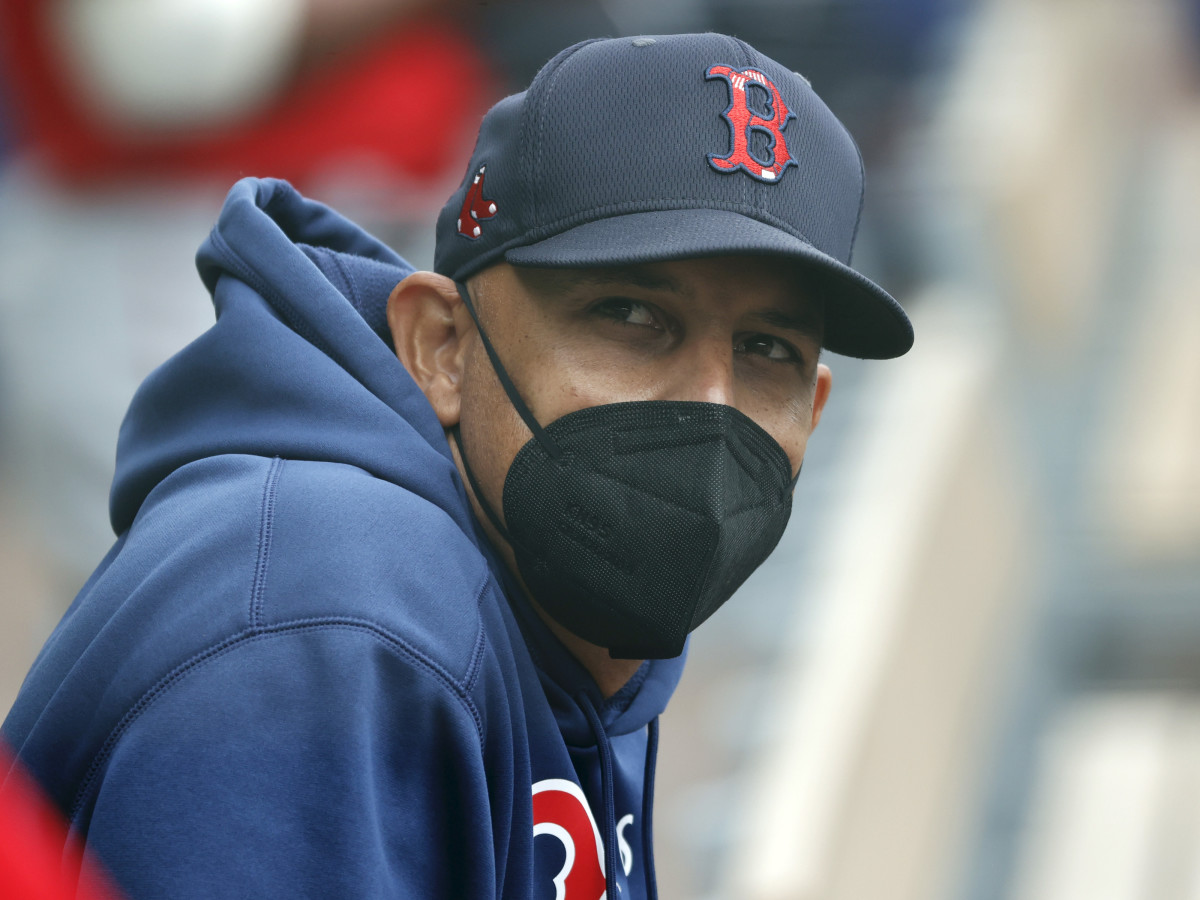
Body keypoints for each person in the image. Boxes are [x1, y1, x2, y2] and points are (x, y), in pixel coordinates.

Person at [1, 33, 913, 900]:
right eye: (632, 318)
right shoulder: (335, 628)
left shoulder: (578, 618)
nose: (709, 408)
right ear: (441, 347)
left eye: (766, 349)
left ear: (817, 409)